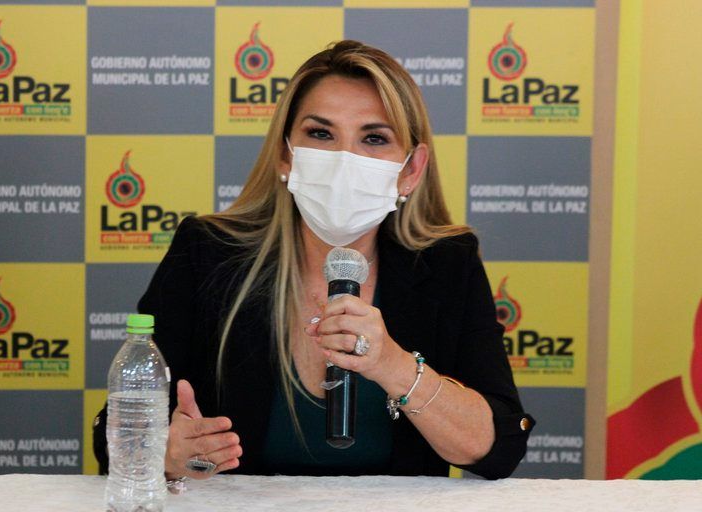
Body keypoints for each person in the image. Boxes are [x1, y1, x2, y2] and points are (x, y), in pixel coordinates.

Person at [93, 40, 534, 482]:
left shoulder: (447, 265)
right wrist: (163, 452)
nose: (344, 161)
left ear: (410, 170)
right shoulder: (207, 252)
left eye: (374, 138)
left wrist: (393, 365)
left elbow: (498, 449)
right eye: (321, 134)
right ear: (286, 154)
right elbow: (112, 437)